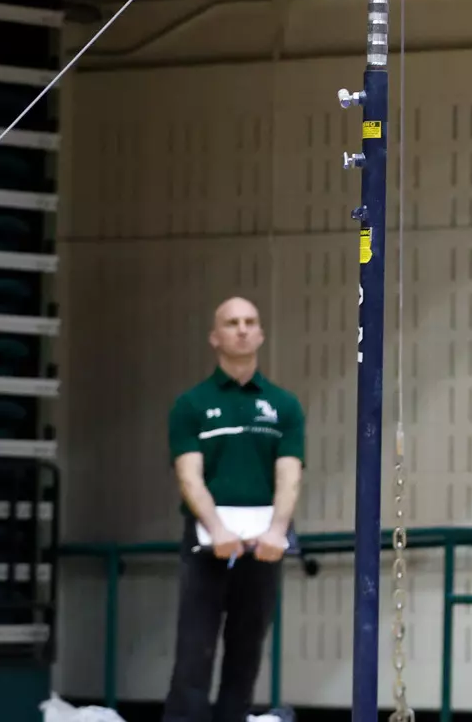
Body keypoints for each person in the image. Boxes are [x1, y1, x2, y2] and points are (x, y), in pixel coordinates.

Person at [163, 297, 304, 722]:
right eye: (231, 323)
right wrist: (217, 529)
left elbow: (290, 473)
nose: (242, 329)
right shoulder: (190, 405)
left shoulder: (284, 405)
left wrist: (278, 531)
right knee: (195, 650)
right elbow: (189, 476)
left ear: (261, 334)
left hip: (263, 543)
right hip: (208, 540)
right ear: (215, 337)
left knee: (247, 649)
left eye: (250, 322)